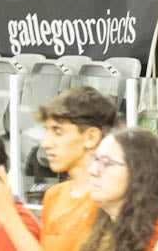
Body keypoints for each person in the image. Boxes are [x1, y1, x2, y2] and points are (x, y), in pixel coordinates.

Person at [31, 88, 119, 251]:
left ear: (91, 137)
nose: (46, 143)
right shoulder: (53, 195)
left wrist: (7, 215)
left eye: (58, 132)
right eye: (48, 131)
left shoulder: (111, 200)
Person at [82, 130, 158, 251]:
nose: (92, 171)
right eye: (95, 159)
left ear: (140, 174)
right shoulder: (104, 228)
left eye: (107, 163)